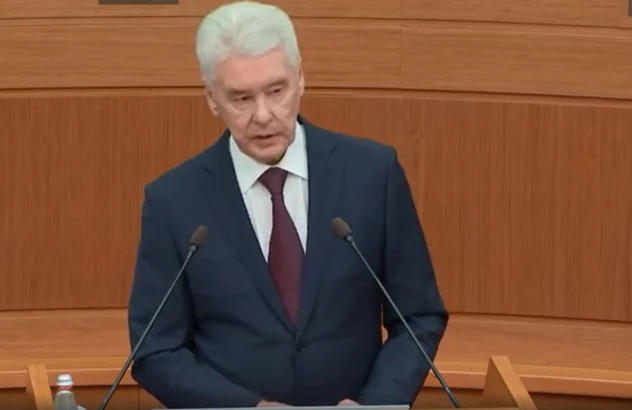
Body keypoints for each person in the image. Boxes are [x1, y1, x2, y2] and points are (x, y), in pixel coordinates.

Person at [128, 1, 448, 408]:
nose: (263, 115)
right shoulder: (173, 200)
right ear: (212, 99)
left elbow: (417, 316)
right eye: (241, 98)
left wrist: (378, 404)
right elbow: (155, 351)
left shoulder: (372, 175)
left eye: (276, 91)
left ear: (300, 80)